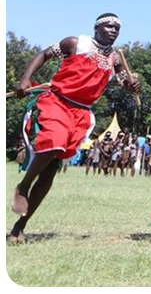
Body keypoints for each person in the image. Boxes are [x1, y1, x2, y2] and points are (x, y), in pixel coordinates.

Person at [9, 13, 141, 243]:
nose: (113, 30)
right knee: (54, 141)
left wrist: (132, 86)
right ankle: (23, 186)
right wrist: (25, 79)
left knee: (51, 169)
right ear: (96, 27)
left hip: (82, 112)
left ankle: (20, 226)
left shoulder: (116, 59)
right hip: (58, 102)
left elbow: (125, 85)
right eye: (108, 25)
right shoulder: (76, 43)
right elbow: (43, 54)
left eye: (117, 28)